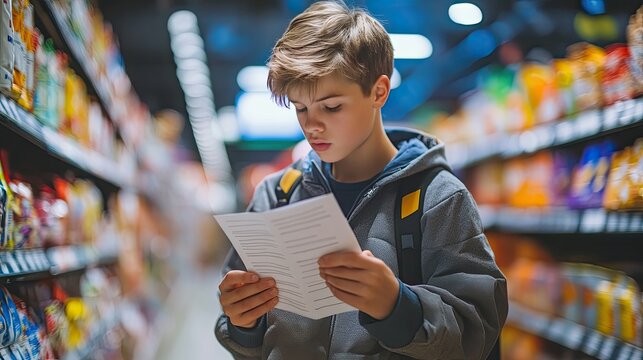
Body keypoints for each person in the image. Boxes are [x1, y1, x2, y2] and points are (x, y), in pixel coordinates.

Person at [215, 1, 508, 359]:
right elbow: (247, 336)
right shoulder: (275, 195)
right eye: (301, 108)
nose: (312, 126)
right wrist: (242, 324)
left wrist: (399, 306)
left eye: (332, 106)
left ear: (379, 92)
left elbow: (476, 331)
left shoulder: (438, 199)